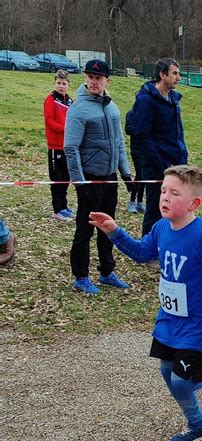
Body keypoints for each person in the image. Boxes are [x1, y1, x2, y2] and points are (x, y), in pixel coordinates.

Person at [89, 165, 202, 441]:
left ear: (194, 203)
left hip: (200, 323)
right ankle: (199, 425)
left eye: (174, 193)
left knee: (183, 382)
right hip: (169, 319)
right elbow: (142, 253)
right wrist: (113, 231)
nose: (165, 197)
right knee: (168, 371)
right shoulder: (161, 227)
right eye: (164, 190)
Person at [64, 59, 133, 295]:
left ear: (107, 80)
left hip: (109, 177)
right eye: (90, 78)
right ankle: (81, 276)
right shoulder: (78, 109)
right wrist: (80, 182)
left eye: (98, 78)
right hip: (90, 179)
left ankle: (106, 272)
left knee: (108, 226)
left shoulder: (112, 108)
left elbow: (119, 143)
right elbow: (70, 148)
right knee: (85, 229)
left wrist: (126, 173)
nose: (94, 82)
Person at [133, 57, 188, 236]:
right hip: (156, 166)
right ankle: (148, 252)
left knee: (173, 209)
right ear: (162, 75)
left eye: (178, 73)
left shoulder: (173, 100)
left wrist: (182, 159)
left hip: (175, 164)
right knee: (155, 209)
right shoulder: (146, 100)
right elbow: (142, 135)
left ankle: (164, 246)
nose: (178, 77)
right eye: (174, 73)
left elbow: (177, 134)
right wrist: (158, 163)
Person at [43, 69, 74, 222]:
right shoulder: (50, 99)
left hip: (67, 146)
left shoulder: (70, 101)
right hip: (55, 145)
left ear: (68, 85)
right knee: (57, 178)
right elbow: (49, 121)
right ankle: (57, 209)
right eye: (58, 83)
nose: (61, 86)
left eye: (64, 83)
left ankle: (64, 206)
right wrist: (64, 130)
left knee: (66, 177)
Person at [124, 106, 145, 214]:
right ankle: (132, 201)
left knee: (145, 176)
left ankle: (140, 202)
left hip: (148, 149)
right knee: (140, 175)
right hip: (137, 150)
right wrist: (140, 130)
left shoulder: (148, 113)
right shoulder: (131, 113)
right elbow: (127, 129)